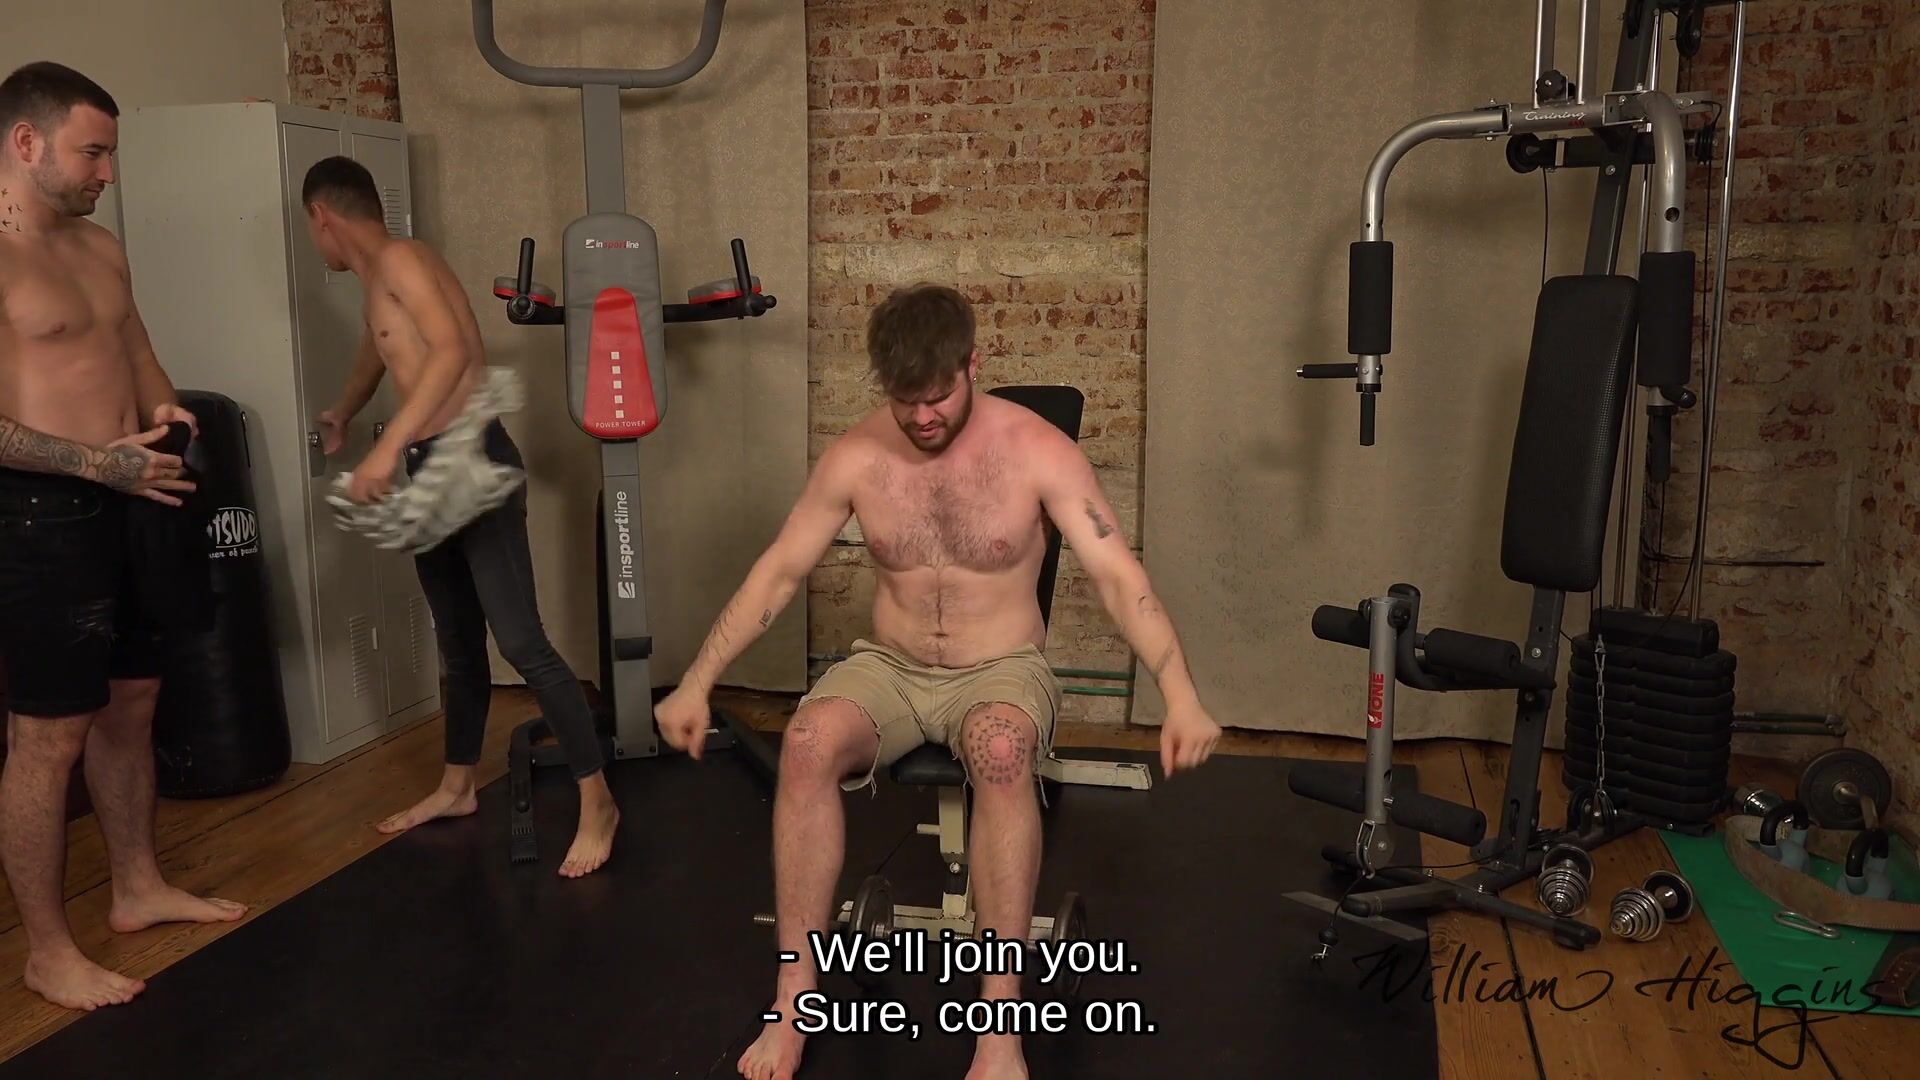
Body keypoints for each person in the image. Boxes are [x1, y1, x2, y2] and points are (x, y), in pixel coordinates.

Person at [655, 283, 1223, 1080]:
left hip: (1002, 669)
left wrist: (1180, 694)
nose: (922, 417)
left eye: (938, 397)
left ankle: (999, 1028)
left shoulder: (1036, 451)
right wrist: (697, 682)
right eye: (904, 400)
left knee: (1000, 751)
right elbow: (779, 572)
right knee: (806, 742)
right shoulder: (857, 457)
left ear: (972, 365)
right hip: (889, 665)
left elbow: (1117, 576)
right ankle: (794, 1000)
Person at [0, 61, 250, 1012]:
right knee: (46, 737)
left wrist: (166, 412)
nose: (108, 171)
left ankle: (137, 886)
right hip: (42, 512)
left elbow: (136, 351)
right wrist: (95, 464)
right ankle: (46, 950)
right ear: (26, 142)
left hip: (138, 493)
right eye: (92, 151)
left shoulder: (101, 246)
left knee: (134, 704)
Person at [299, 155, 619, 879]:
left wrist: (389, 448)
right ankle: (456, 786)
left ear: (322, 216)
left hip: (468, 461)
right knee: (459, 642)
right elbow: (382, 349)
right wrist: (345, 411)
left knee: (522, 641)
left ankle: (597, 799)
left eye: (310, 229)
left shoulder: (402, 260)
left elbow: (453, 353)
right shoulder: (382, 278)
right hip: (432, 466)